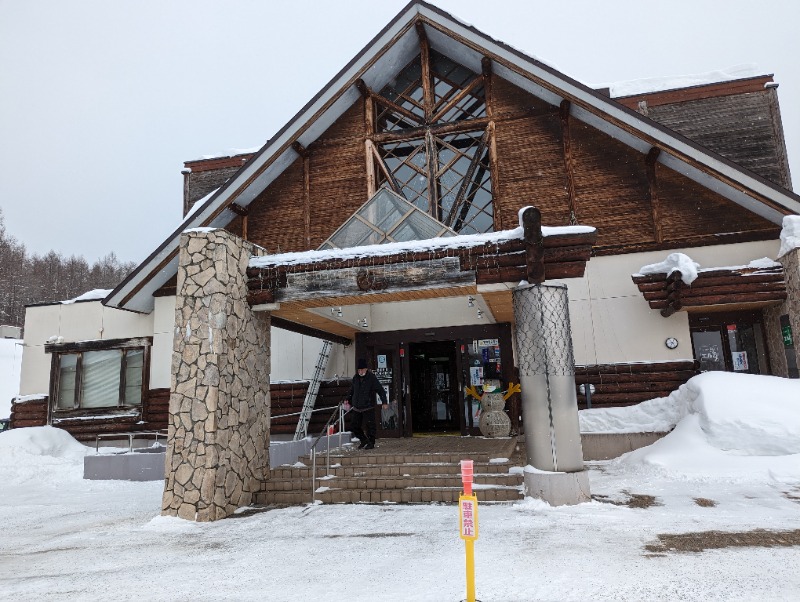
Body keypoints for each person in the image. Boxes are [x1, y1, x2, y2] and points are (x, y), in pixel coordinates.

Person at [346, 358, 387, 449]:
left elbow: (380, 390)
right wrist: (347, 399)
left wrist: (384, 402)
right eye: (359, 370)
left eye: (362, 370)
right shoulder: (355, 378)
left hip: (368, 406)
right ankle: (364, 440)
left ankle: (371, 443)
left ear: (366, 369)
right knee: (354, 426)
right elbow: (352, 390)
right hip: (357, 407)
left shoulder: (371, 378)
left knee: (370, 426)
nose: (360, 372)